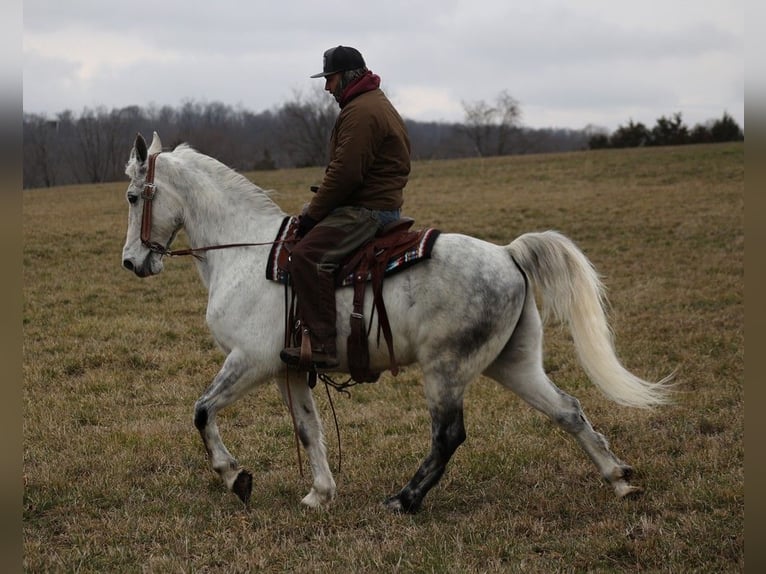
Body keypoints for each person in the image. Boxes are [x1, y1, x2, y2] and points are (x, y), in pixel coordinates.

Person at [280, 45, 411, 369]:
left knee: (308, 257)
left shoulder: (362, 112)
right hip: (372, 204)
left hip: (366, 211)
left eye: (330, 79)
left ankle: (323, 345)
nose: (327, 88)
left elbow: (345, 173)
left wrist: (313, 215)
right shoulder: (371, 104)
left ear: (347, 77)